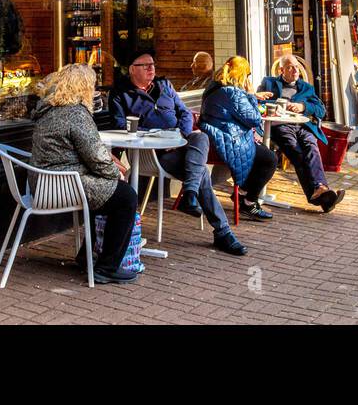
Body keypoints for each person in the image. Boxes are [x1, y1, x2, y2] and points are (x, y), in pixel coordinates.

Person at [110, 48, 246, 256]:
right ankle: (219, 229)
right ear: (131, 70)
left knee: (200, 137)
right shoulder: (121, 94)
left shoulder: (165, 85)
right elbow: (120, 124)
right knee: (199, 173)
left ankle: (192, 195)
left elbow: (183, 112)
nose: (151, 69)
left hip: (181, 144)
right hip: (154, 154)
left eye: (153, 64)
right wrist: (160, 137)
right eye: (145, 65)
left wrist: (179, 135)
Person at [31, 64, 140, 284]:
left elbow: (84, 153)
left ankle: (86, 255)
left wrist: (107, 164)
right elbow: (97, 157)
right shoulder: (76, 113)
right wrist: (115, 173)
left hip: (43, 183)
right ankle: (107, 267)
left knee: (104, 195)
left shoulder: (48, 109)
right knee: (126, 196)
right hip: (64, 186)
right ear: (84, 87)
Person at [256, 55, 345, 213]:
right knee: (296, 152)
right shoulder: (269, 83)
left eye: (297, 67)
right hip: (280, 125)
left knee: (312, 148)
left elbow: (321, 110)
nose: (295, 70)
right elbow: (258, 102)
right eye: (290, 67)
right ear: (281, 70)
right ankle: (321, 192)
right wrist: (273, 105)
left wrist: (303, 106)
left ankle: (321, 192)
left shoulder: (306, 87)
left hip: (303, 125)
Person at [199, 56, 278, 222]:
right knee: (270, 159)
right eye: (247, 75)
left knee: (261, 153)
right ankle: (248, 201)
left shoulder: (215, 87)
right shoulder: (233, 92)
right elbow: (255, 119)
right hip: (227, 141)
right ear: (242, 75)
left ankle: (242, 193)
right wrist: (250, 95)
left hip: (215, 139)